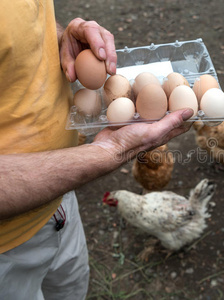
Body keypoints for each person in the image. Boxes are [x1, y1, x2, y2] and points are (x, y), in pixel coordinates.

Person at [0, 1, 193, 299]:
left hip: (59, 196)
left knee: (72, 291)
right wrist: (104, 153)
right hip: (8, 244)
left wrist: (60, 37)